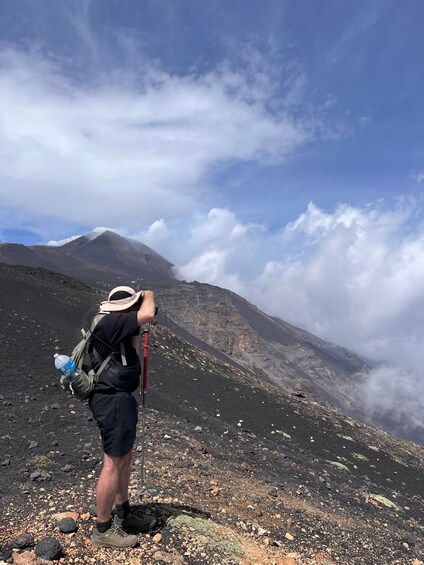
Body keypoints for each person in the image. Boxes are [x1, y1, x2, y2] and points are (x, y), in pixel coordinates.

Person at [89, 285, 157, 549]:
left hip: (119, 398)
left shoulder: (116, 324)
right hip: (113, 400)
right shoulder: (111, 322)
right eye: (133, 306)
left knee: (123, 457)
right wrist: (147, 294)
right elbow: (150, 312)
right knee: (113, 463)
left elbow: (132, 349)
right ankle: (103, 529)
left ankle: (123, 512)